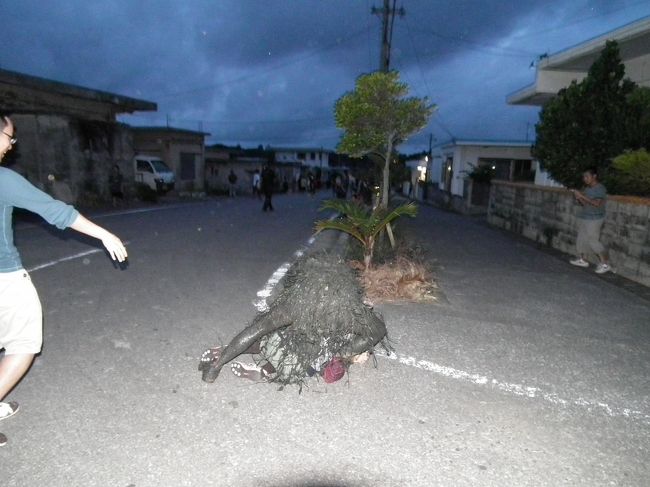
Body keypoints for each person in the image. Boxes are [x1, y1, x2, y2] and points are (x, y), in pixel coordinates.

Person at [0, 116, 128, 446]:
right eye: (9, 138)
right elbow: (57, 211)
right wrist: (105, 235)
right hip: (4, 278)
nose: (11, 145)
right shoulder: (3, 180)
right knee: (23, 342)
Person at [570, 168, 611, 274]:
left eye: (587, 176)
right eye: (584, 177)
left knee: (593, 240)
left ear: (594, 176)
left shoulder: (600, 188)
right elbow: (585, 204)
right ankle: (583, 260)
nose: (585, 179)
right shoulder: (588, 189)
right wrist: (579, 198)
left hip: (595, 219)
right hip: (586, 216)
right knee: (581, 239)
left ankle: (605, 264)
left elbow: (597, 203)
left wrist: (582, 195)